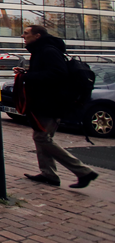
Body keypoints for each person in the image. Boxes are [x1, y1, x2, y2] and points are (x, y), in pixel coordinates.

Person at [14, 25, 99, 189]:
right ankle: (48, 174)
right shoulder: (41, 50)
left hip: (51, 103)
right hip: (46, 102)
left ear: (37, 35)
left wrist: (28, 76)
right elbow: (49, 72)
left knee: (42, 138)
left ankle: (83, 171)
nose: (22, 36)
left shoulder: (48, 51)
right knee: (41, 138)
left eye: (26, 33)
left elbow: (58, 74)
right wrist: (26, 73)